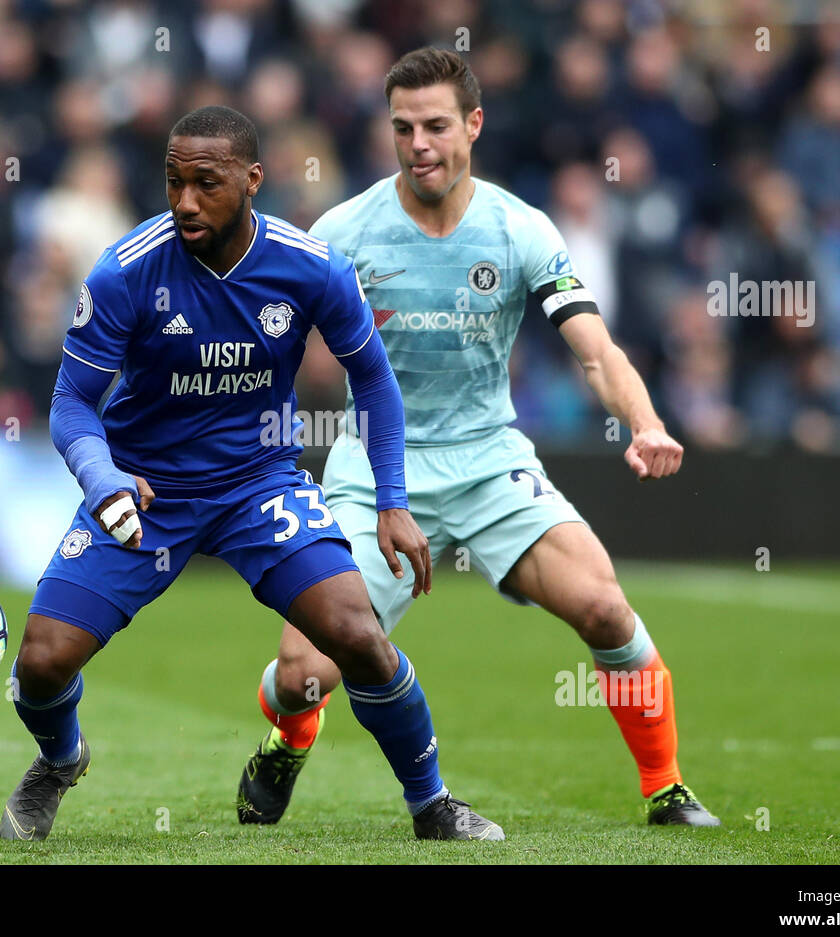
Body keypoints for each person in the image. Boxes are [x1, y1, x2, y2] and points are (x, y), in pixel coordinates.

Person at [236, 49, 720, 828]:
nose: (419, 143)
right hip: (375, 470)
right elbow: (270, 351)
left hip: (490, 459)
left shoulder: (519, 228)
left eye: (435, 126)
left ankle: (665, 787)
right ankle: (289, 737)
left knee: (603, 608)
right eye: (403, 128)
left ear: (473, 125)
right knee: (302, 673)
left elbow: (594, 350)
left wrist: (647, 422)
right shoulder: (344, 231)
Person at [0, 105, 503, 842]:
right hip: (143, 490)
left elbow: (375, 383)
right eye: (173, 182)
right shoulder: (125, 271)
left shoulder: (312, 267)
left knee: (358, 636)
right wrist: (102, 478)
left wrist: (392, 501)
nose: (184, 202)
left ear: (252, 180)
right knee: (42, 662)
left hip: (256, 485)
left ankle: (432, 804)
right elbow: (73, 403)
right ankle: (59, 759)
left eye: (206, 183)